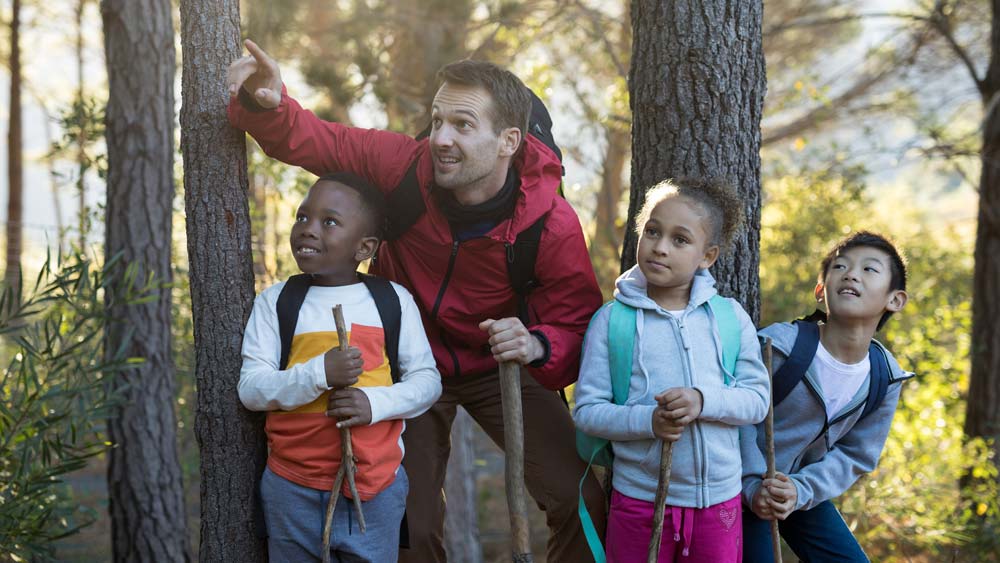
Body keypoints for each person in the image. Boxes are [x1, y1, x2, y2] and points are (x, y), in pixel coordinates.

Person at [226, 40, 607, 562]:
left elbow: (578, 324)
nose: (440, 139)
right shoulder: (405, 168)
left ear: (508, 142)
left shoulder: (549, 222)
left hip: (503, 365)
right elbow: (319, 141)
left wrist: (537, 344)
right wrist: (269, 106)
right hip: (406, 363)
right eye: (437, 120)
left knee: (581, 498)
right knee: (412, 527)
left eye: (463, 125)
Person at [238, 174, 442, 562]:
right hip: (290, 485)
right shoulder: (278, 302)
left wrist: (373, 403)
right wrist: (318, 375)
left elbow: (427, 382)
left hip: (375, 486)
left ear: (364, 247)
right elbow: (252, 389)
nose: (308, 230)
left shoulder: (391, 301)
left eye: (329, 222)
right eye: (302, 217)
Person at [574, 178, 770, 562]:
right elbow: (586, 412)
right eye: (652, 232)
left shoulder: (730, 319)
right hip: (640, 503)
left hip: (719, 506)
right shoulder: (612, 322)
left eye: (680, 240)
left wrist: (702, 400)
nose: (660, 247)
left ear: (707, 256)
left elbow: (757, 401)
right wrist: (651, 422)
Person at [741, 231, 912, 563]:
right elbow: (737, 418)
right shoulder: (777, 347)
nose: (851, 274)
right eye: (840, 266)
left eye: (869, 269)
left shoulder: (885, 376)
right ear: (821, 291)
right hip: (739, 483)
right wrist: (751, 485)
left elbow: (856, 455)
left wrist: (799, 490)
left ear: (895, 300)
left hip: (801, 489)